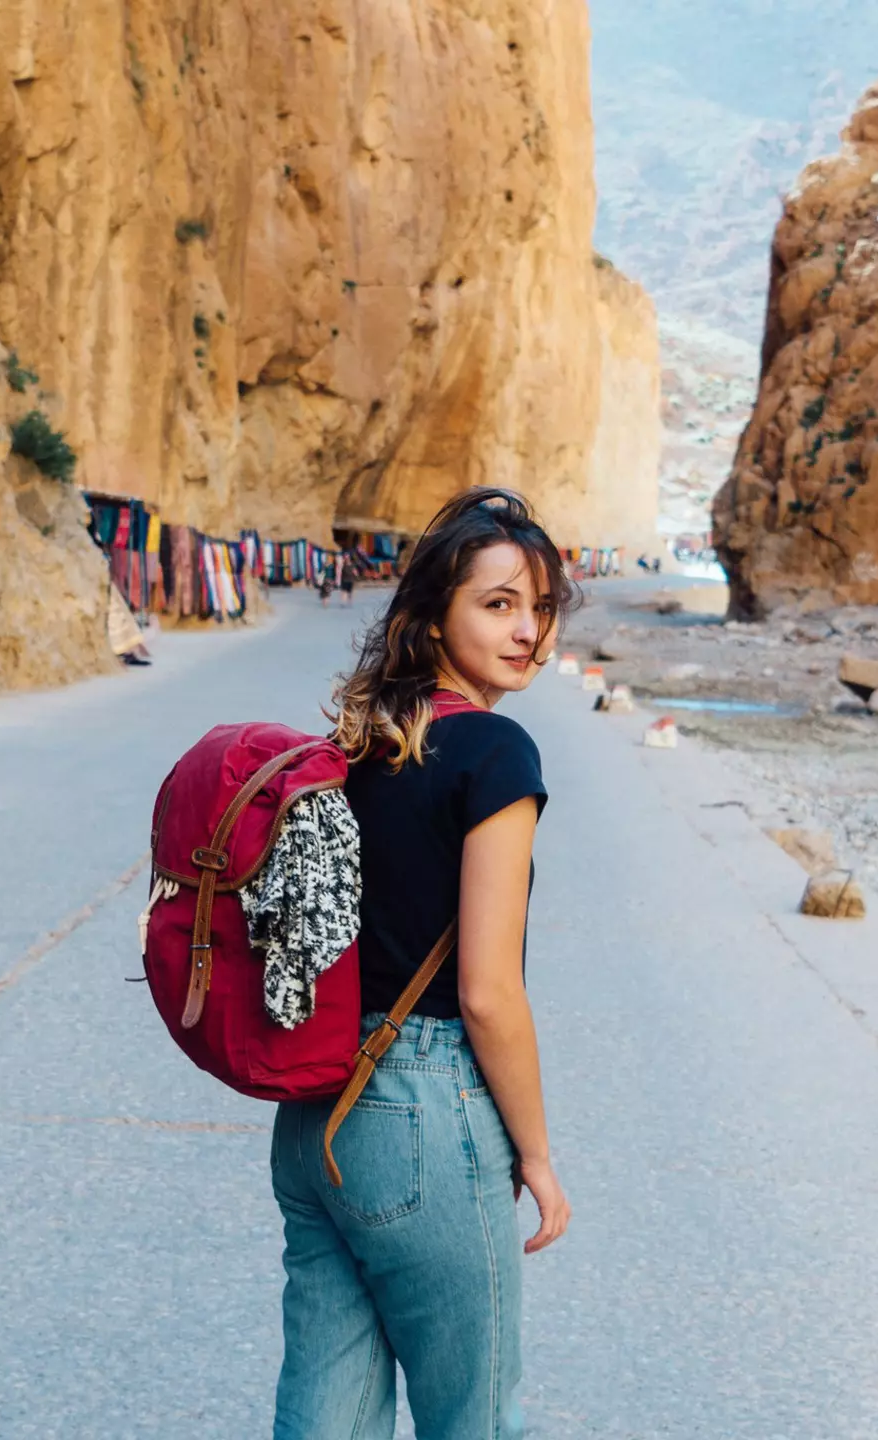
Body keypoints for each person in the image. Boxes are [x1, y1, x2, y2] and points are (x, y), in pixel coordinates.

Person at [271, 487, 579, 1439]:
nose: (527, 629)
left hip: (317, 1113)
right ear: (435, 615)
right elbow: (488, 995)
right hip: (420, 1120)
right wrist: (535, 1152)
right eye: (498, 604)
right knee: (475, 1423)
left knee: (323, 1423)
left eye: (539, 605)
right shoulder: (494, 752)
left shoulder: (356, 744)